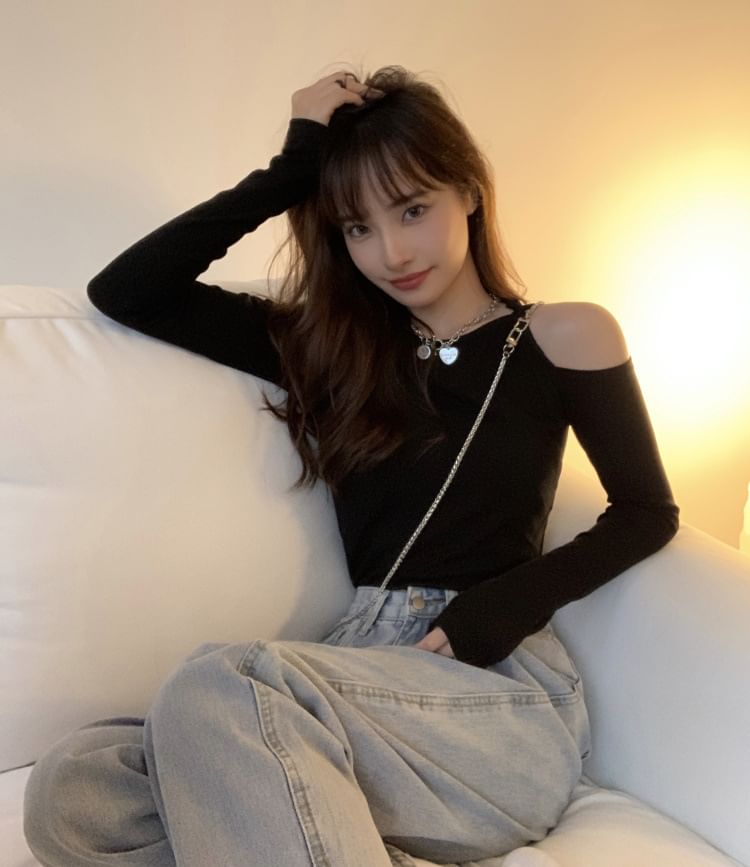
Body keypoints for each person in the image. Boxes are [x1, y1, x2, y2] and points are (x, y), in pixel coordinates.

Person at [23, 66, 679, 867]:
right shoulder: (329, 352)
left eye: (412, 209)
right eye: (358, 227)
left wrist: (498, 606)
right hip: (350, 684)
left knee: (219, 683)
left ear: (470, 192)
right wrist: (294, 165)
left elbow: (646, 511)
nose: (391, 251)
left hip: (490, 694)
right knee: (74, 786)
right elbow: (128, 290)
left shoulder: (563, 336)